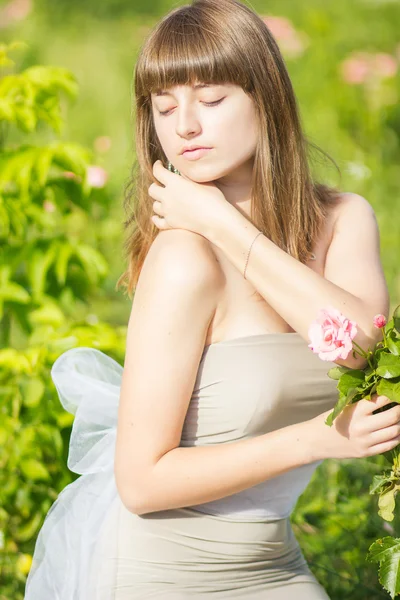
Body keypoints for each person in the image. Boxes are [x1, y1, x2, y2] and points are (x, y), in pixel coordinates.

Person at [24, 1, 396, 598]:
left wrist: (230, 227)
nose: (185, 126)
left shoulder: (342, 220)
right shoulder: (182, 259)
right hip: (163, 572)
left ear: (265, 98)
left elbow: (359, 345)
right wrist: (322, 438)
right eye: (164, 108)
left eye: (212, 100)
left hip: (274, 565)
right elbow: (141, 481)